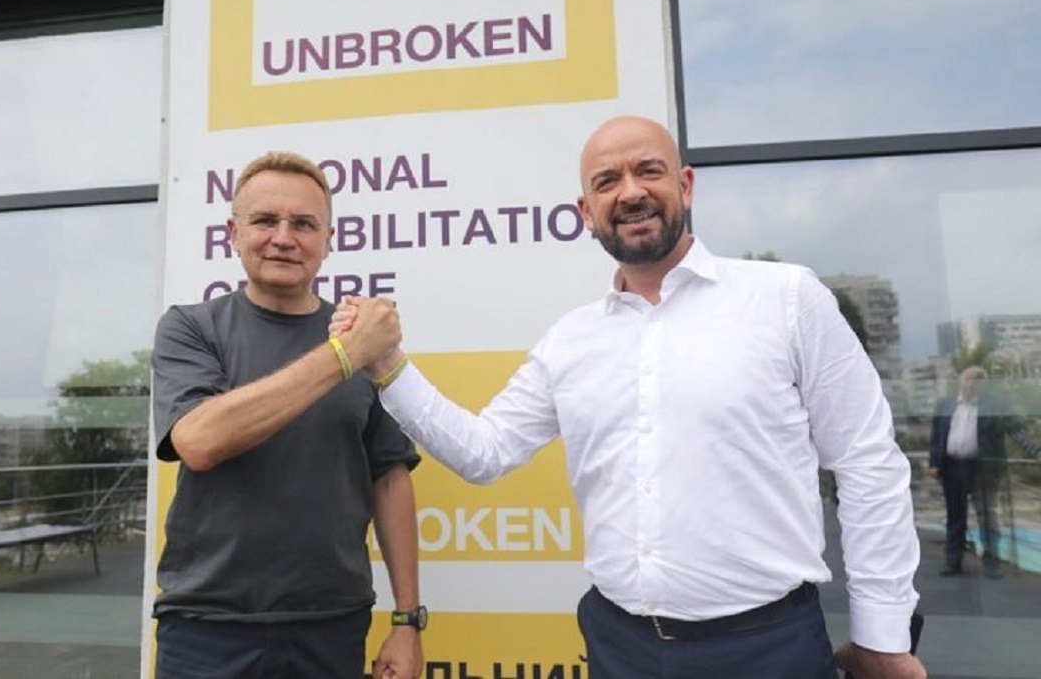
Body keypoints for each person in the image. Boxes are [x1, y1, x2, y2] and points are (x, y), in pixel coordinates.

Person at [334, 116, 926, 678]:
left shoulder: (787, 299)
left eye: (649, 170)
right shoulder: (571, 340)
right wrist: (387, 363)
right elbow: (484, 452)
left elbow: (866, 463)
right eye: (607, 181)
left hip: (768, 647)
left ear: (685, 185)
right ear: (586, 212)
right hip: (620, 646)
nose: (631, 192)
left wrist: (883, 635)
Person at [150, 151, 425, 679]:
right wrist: (346, 354)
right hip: (207, 627)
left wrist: (407, 620)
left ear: (329, 239)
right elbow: (200, 441)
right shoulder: (191, 328)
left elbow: (390, 480)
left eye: (303, 224)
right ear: (233, 233)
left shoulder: (364, 343)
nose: (283, 238)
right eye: (264, 221)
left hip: (331, 625)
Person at [928, 365, 1039, 579]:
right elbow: (936, 436)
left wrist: (1037, 451)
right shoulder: (945, 405)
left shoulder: (995, 406)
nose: (972, 384)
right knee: (955, 517)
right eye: (969, 379)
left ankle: (991, 563)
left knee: (987, 517)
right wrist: (934, 463)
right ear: (961, 381)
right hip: (952, 468)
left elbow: (1017, 430)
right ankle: (953, 562)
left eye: (978, 381)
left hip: (983, 468)